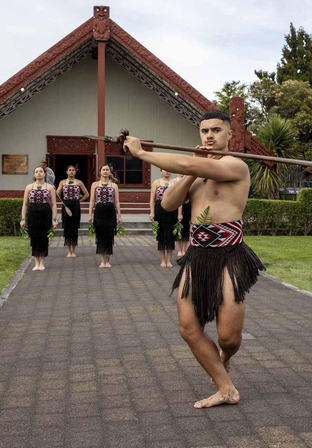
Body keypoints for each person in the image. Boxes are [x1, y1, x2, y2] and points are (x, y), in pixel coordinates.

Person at [123, 110, 264, 409]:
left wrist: (140, 153)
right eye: (204, 131)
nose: (209, 136)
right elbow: (168, 203)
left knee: (228, 338)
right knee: (187, 327)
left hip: (229, 254)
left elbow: (187, 160)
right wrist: (191, 174)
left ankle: (224, 358)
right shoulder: (197, 172)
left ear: (229, 135)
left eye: (216, 130)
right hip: (197, 255)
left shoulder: (235, 165)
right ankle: (226, 388)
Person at [20, 166, 58, 271]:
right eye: (36, 172)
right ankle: (36, 263)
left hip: (45, 214)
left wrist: (54, 219)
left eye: (41, 171)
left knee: (43, 237)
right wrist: (23, 219)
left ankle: (42, 263)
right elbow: (25, 205)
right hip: (33, 214)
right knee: (34, 237)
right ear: (34, 174)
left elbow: (54, 205)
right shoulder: (29, 187)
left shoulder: (49, 187)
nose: (39, 173)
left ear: (44, 174)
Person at [88, 163, 122, 268]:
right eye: (103, 169)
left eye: (107, 169)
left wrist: (119, 216)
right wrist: (90, 214)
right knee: (100, 235)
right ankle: (102, 261)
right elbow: (92, 200)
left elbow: (117, 202)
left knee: (109, 235)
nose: (105, 171)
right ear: (100, 172)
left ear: (110, 172)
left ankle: (107, 260)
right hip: (99, 211)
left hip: (110, 211)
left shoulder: (114, 186)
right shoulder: (95, 184)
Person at [56, 164, 89, 258]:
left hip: (75, 206)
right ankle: (68, 251)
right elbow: (57, 194)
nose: (71, 171)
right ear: (66, 172)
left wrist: (79, 201)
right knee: (67, 227)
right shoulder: (62, 182)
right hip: (65, 205)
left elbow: (86, 194)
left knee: (74, 228)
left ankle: (73, 251)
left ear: (75, 172)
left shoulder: (79, 182)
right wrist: (55, 192)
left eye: (73, 170)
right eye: (69, 170)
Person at [150, 169, 177, 268]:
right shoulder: (156, 182)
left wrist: (179, 214)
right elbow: (152, 199)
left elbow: (179, 199)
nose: (167, 172)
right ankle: (162, 260)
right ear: (161, 171)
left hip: (172, 209)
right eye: (164, 170)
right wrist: (152, 212)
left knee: (170, 235)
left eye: (168, 170)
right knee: (161, 235)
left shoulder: (175, 183)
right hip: (159, 210)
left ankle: (169, 260)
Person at [173, 174, 192, 257]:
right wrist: (179, 214)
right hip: (178, 205)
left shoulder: (189, 179)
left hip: (188, 205)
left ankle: (184, 250)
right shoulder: (175, 181)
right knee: (178, 230)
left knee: (185, 230)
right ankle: (179, 250)